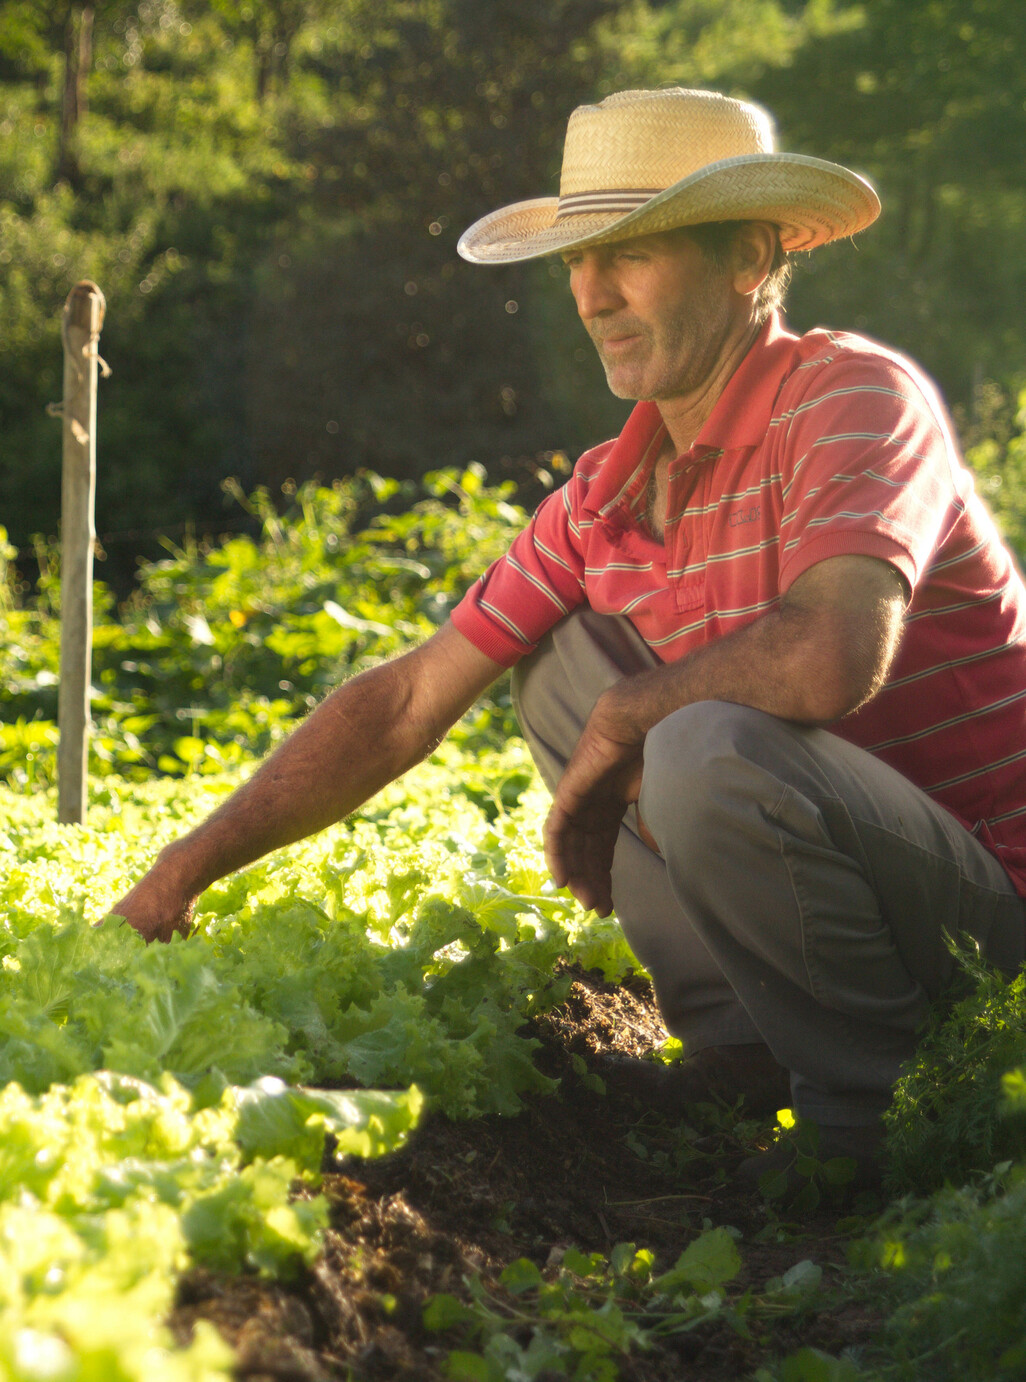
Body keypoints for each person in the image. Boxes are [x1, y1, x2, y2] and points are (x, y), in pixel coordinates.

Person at [109, 88, 1026, 1189]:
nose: (591, 293)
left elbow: (834, 651)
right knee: (557, 667)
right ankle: (743, 1055)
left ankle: (871, 1128)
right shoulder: (607, 491)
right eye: (578, 260)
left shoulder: (849, 399)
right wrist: (184, 868)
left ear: (745, 257)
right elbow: (408, 699)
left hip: (991, 917)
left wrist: (640, 710)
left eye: (630, 254)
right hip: (852, 891)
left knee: (692, 734)